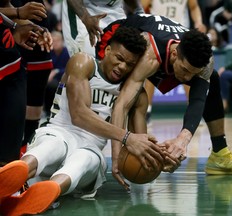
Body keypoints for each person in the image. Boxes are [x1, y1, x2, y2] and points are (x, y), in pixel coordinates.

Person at [0, 26, 156, 215]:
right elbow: (80, 115)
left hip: (90, 149)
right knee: (52, 146)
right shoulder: (83, 63)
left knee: (84, 159)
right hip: (59, 131)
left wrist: (160, 160)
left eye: (130, 64)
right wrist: (126, 136)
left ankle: (47, 192)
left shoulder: (136, 95)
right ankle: (18, 174)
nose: (122, 67)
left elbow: (139, 143)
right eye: (119, 58)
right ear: (107, 51)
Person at [96, 14, 232, 190]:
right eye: (185, 70)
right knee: (136, 97)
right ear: (175, 54)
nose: (187, 78)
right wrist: (116, 156)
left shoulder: (205, 60)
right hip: (118, 39)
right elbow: (122, 105)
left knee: (212, 79)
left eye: (193, 73)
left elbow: (197, 99)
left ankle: (220, 154)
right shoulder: (149, 53)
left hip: (159, 49)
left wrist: (182, 141)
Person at [0, 5, 52, 167]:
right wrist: (17, 13)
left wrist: (16, 27)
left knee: (8, 155)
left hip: (11, 63)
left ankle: (9, 173)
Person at [140, 0, 207, 123]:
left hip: (180, 32)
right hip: (159, 32)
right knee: (151, 71)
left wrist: (198, 22)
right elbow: (141, 8)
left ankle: (193, 111)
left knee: (188, 73)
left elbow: (194, 7)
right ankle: (147, 110)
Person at [62, 0, 144, 57]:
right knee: (85, 61)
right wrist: (85, 18)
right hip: (83, 11)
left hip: (113, 9)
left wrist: (140, 13)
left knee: (122, 54)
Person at [43, 30, 70, 118]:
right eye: (53, 41)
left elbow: (68, 69)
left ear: (62, 41)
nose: (55, 43)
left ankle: (54, 109)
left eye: (57, 41)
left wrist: (56, 71)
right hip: (50, 78)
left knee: (52, 85)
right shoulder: (50, 52)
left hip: (64, 79)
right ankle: (46, 110)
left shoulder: (67, 53)